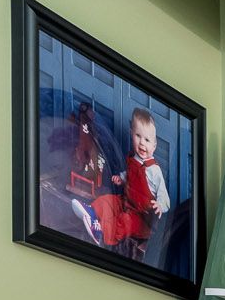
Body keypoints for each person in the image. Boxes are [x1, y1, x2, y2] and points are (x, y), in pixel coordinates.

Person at [71, 108, 169, 252]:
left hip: (142, 218)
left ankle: (101, 231)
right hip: (125, 202)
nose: (142, 143)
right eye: (138, 136)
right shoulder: (133, 158)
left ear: (154, 146)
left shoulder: (154, 170)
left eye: (147, 140)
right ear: (131, 134)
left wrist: (160, 205)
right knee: (107, 201)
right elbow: (130, 175)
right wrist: (122, 179)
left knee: (124, 221)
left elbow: (164, 197)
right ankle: (91, 213)